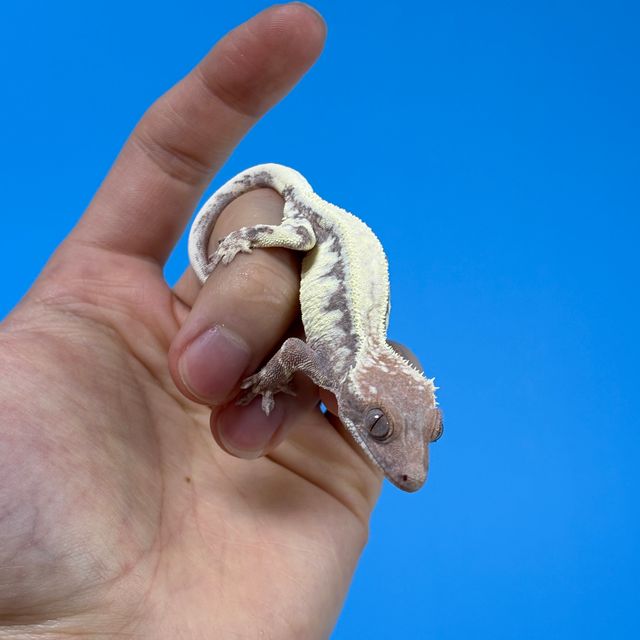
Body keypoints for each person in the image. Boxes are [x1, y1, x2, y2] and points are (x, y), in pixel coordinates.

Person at [0, 4, 421, 637]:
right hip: (314, 228)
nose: (409, 469)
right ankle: (260, 239)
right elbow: (293, 355)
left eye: (420, 430)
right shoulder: (340, 364)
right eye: (383, 428)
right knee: (274, 254)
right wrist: (265, 374)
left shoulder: (353, 371)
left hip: (334, 243)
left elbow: (297, 357)